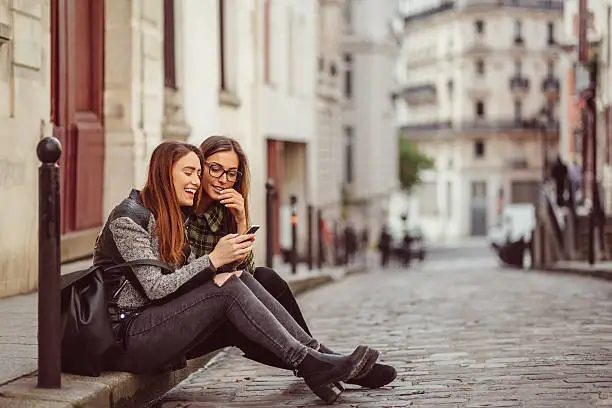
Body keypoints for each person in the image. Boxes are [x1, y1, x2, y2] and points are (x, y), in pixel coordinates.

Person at [93, 141, 380, 404]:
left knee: (238, 278)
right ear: (164, 173)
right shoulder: (129, 218)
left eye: (197, 172)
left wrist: (219, 263)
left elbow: (199, 277)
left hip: (155, 324)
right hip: (128, 336)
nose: (196, 181)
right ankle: (313, 364)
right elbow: (155, 288)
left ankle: (316, 361)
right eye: (190, 172)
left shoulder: (171, 217)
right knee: (228, 287)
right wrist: (212, 261)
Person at [188, 135, 396, 390]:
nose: (222, 179)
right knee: (244, 301)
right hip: (196, 311)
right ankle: (329, 366)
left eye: (231, 173)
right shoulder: (183, 210)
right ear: (200, 165)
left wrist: (241, 220)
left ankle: (320, 363)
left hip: (224, 298)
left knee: (266, 279)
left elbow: (247, 275)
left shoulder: (224, 209)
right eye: (215, 169)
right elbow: (193, 276)